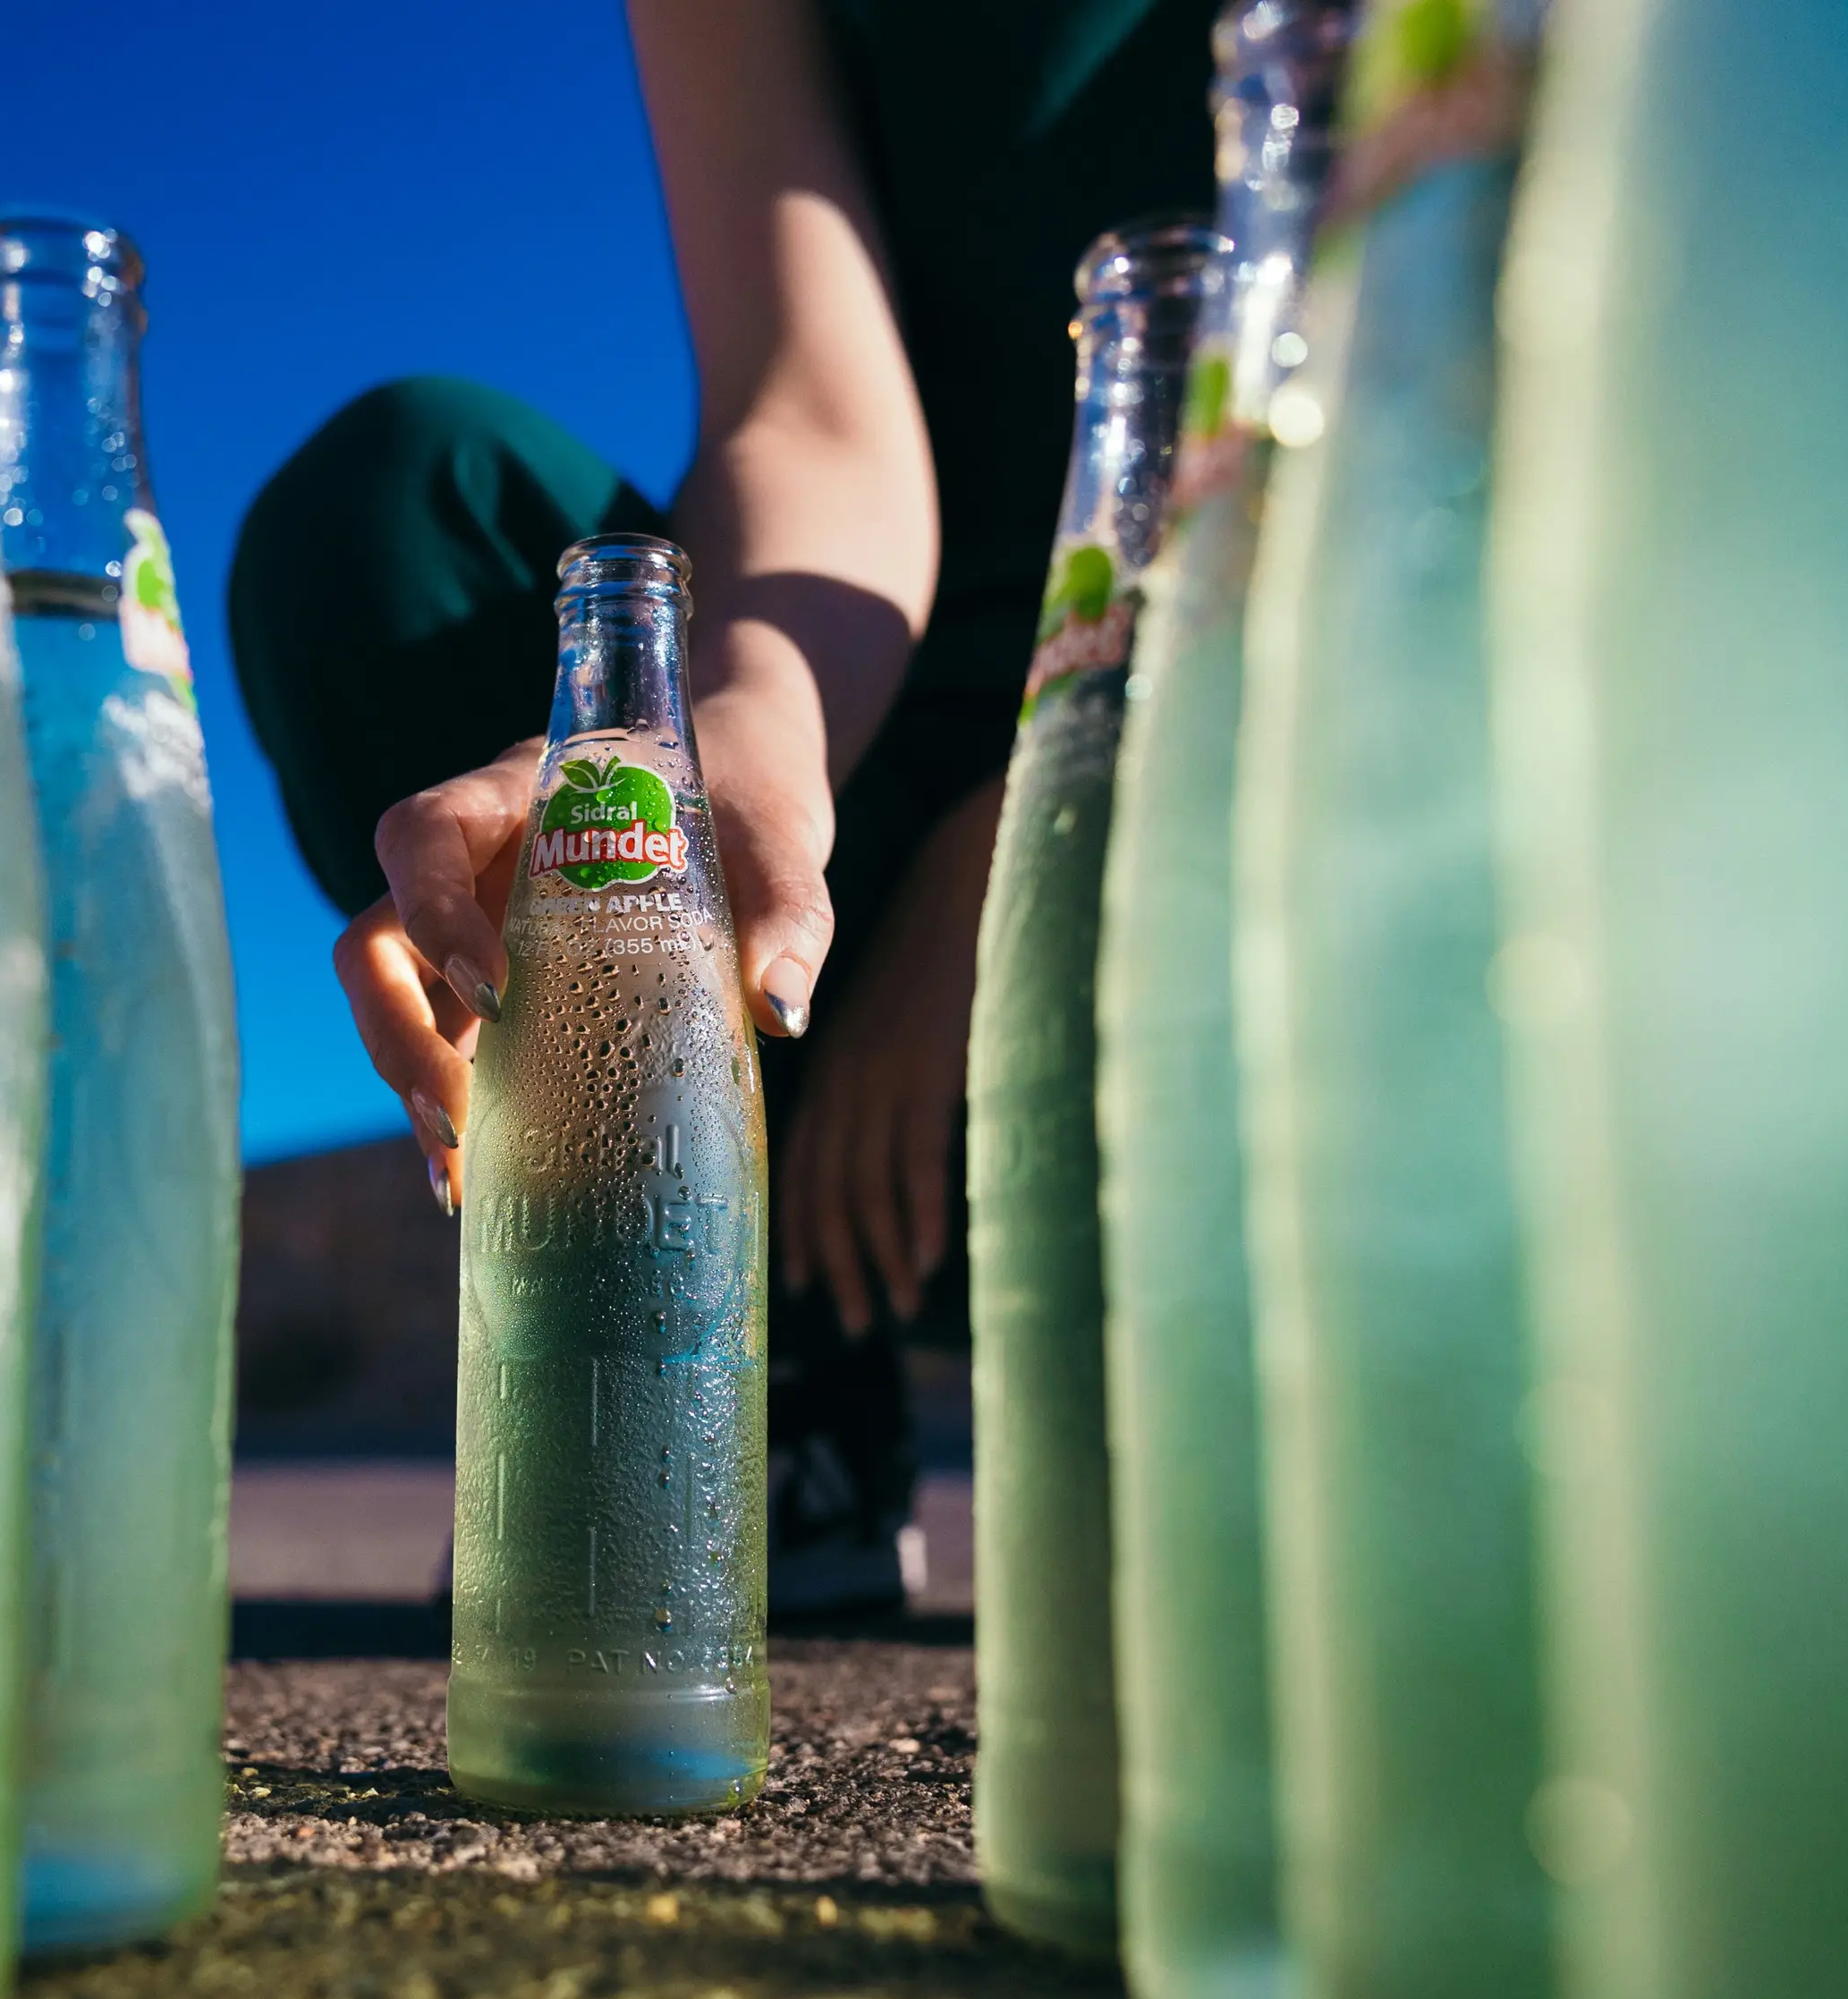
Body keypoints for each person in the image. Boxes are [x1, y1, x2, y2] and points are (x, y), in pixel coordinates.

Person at [228, 0, 1219, 1614]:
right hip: (857, 764)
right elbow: (816, 411)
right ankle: (748, 1382)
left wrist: (1011, 853)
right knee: (404, 505)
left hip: (1228, 790)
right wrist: (734, 762)